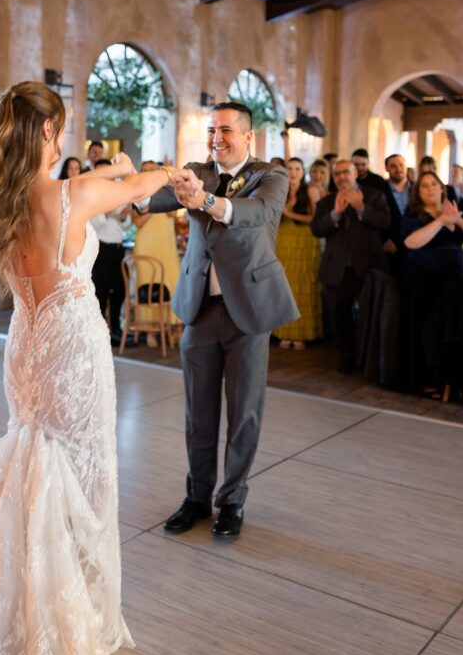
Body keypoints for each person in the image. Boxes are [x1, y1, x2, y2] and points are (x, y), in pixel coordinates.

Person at [0, 82, 177, 655]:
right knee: (85, 483)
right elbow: (136, 189)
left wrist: (112, 168)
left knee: (33, 470)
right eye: (62, 127)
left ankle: (11, 632)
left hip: (25, 347)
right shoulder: (73, 195)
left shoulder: (4, 199)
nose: (66, 136)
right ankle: (75, 627)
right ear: (48, 133)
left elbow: (106, 181)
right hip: (73, 350)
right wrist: (152, 169)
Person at [138, 102, 298, 538]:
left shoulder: (271, 176)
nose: (216, 138)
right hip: (200, 311)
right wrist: (130, 184)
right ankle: (196, 498)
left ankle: (231, 502)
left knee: (244, 413)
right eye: (212, 130)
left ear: (248, 136)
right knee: (198, 414)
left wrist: (205, 200)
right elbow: (152, 200)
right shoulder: (197, 170)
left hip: (248, 310)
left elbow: (255, 214)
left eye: (225, 130)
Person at [402, 171, 463, 395]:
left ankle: (450, 380)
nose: (430, 189)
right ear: (418, 192)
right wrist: (440, 221)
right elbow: (411, 242)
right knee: (428, 329)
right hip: (424, 281)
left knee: (452, 328)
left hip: (452, 279)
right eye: (424, 186)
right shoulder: (412, 214)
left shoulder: (452, 209)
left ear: (441, 188)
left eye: (434, 184)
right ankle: (428, 378)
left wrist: (457, 220)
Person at [311, 160, 390, 373]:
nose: (341, 177)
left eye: (346, 172)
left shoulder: (374, 196)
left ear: (356, 174)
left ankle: (368, 358)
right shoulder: (327, 202)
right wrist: (335, 213)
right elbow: (317, 229)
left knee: (369, 314)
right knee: (339, 315)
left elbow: (385, 222)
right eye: (336, 174)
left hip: (368, 267)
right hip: (337, 269)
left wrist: (361, 208)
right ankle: (346, 356)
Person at [273, 158, 322, 349]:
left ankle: (301, 334)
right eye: (290, 169)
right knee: (285, 286)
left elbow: (317, 218)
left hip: (304, 241)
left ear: (303, 172)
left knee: (302, 288)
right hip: (283, 241)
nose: (293, 172)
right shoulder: (281, 190)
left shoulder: (310, 190)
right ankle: (285, 331)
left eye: (297, 169)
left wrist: (289, 213)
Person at [132, 160, 181, 345]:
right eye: (145, 171)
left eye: (153, 171)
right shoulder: (136, 194)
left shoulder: (168, 193)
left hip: (166, 245)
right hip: (146, 244)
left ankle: (174, 325)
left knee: (172, 282)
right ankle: (150, 328)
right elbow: (138, 222)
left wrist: (162, 193)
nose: (149, 173)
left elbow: (173, 215)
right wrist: (153, 200)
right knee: (148, 284)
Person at [90, 159, 132, 347]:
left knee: (120, 291)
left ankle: (116, 328)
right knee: (101, 292)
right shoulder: (91, 193)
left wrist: (121, 216)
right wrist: (106, 212)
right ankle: (99, 332)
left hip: (117, 249)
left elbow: (126, 224)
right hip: (101, 249)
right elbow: (94, 223)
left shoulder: (116, 191)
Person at [382, 153, 411, 273]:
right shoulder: (379, 190)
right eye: (393, 166)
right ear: (387, 169)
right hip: (391, 247)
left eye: (401, 165)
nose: (398, 169)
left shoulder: (418, 189)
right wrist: (383, 240)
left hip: (415, 247)